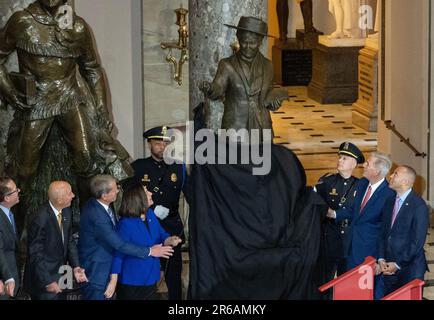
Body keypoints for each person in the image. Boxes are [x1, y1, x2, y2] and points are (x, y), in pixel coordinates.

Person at [0, 0, 132, 215]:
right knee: (24, 168)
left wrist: (101, 110)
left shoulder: (78, 27)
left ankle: (89, 220)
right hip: (37, 102)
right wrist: (11, 93)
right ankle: (17, 227)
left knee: (87, 158)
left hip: (70, 97)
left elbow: (92, 69)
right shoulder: (21, 21)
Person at [78, 175, 174, 300]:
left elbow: (160, 233)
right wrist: (151, 251)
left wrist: (168, 240)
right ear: (104, 196)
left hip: (140, 275)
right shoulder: (98, 216)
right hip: (98, 272)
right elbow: (119, 245)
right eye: (114, 189)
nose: (118, 190)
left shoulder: (102, 205)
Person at [200, 16, 288, 137]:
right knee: (233, 156)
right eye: (243, 42)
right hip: (235, 127)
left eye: (252, 43)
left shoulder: (268, 65)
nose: (247, 46)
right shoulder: (227, 65)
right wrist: (210, 88)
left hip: (262, 126)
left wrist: (274, 103)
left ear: (260, 41)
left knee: (265, 156)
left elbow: (268, 92)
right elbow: (218, 88)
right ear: (238, 38)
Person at [128, 126, 189, 300]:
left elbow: (191, 193)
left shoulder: (179, 168)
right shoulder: (138, 167)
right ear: (149, 144)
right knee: (146, 277)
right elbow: (130, 198)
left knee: (173, 276)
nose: (162, 147)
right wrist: (152, 210)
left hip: (171, 228)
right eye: (157, 143)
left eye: (165, 143)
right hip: (145, 229)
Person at [327, 152, 395, 298]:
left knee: (367, 293)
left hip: (369, 255)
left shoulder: (389, 195)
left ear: (376, 171)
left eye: (368, 164)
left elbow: (387, 231)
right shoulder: (362, 183)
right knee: (351, 290)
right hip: (350, 247)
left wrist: (379, 259)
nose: (364, 165)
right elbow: (354, 210)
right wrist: (334, 214)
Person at [105, 184, 182, 300]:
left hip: (151, 277)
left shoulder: (150, 214)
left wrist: (169, 240)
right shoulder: (125, 224)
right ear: (138, 199)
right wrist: (113, 280)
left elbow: (161, 234)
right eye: (147, 192)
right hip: (132, 281)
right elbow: (117, 253)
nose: (151, 193)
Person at [24, 181, 87, 300]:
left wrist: (76, 266)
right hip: (44, 280)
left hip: (62, 274)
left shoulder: (66, 211)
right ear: (59, 200)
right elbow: (35, 254)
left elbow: (69, 241)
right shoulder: (40, 218)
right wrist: (48, 282)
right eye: (69, 193)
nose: (73, 195)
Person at [315, 142, 364, 290]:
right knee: (325, 278)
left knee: (347, 278)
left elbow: (358, 210)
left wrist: (334, 213)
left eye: (345, 158)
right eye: (340, 157)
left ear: (354, 163)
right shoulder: (327, 181)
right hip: (329, 235)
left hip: (350, 237)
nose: (340, 160)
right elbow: (314, 201)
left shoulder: (360, 185)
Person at [377, 166, 429, 296]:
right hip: (389, 268)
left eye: (395, 174)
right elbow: (383, 233)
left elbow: (417, 242)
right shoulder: (389, 201)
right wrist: (381, 258)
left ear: (405, 181)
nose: (390, 176)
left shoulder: (419, 205)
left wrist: (398, 264)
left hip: (410, 269)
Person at [0, 176, 21, 299]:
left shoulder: (9, 213)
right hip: (4, 284)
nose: (19, 191)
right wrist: (7, 277)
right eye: (15, 190)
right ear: (6, 198)